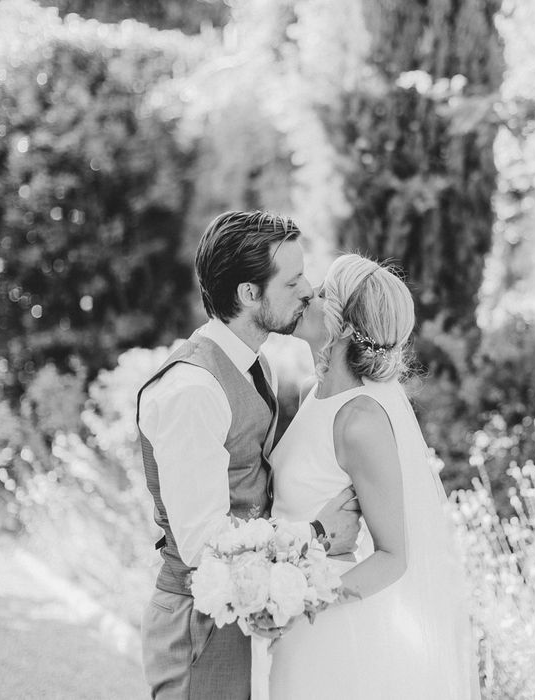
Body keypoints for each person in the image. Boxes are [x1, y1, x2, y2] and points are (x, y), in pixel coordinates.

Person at [136, 211, 361, 700]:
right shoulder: (193, 390)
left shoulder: (257, 364)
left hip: (234, 609)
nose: (310, 290)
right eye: (294, 280)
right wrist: (317, 534)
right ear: (248, 294)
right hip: (194, 623)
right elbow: (203, 544)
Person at [268, 253, 481, 699]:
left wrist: (301, 599)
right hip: (286, 615)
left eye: (324, 293)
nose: (309, 294)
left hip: (323, 629)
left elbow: (393, 556)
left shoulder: (361, 419)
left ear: (344, 326)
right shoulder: (313, 392)